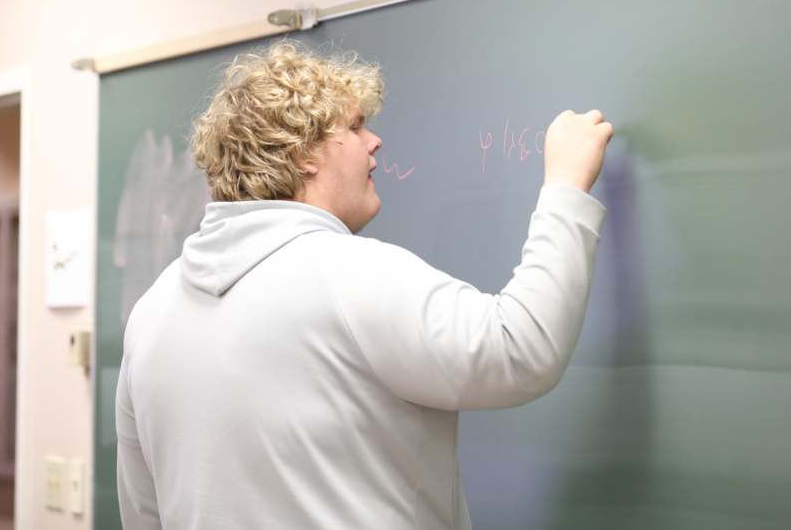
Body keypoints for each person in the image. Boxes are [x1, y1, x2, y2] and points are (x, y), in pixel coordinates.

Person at [116, 40, 613, 529]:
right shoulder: (347, 275)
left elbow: (144, 513)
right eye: (354, 127)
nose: (374, 141)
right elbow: (518, 349)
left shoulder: (152, 314)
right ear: (303, 154)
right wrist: (566, 189)